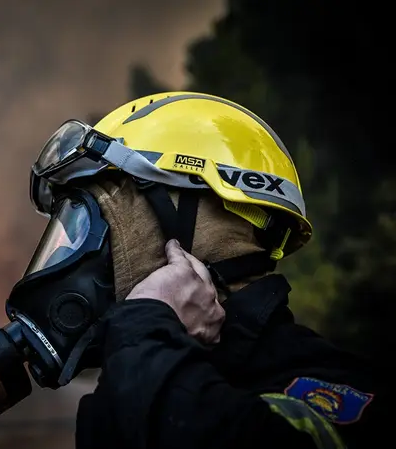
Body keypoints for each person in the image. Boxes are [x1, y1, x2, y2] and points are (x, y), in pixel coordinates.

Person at [28, 92, 385, 449]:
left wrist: (145, 326)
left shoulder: (339, 393)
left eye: (98, 217)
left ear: (188, 221)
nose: (79, 249)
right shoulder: (133, 373)